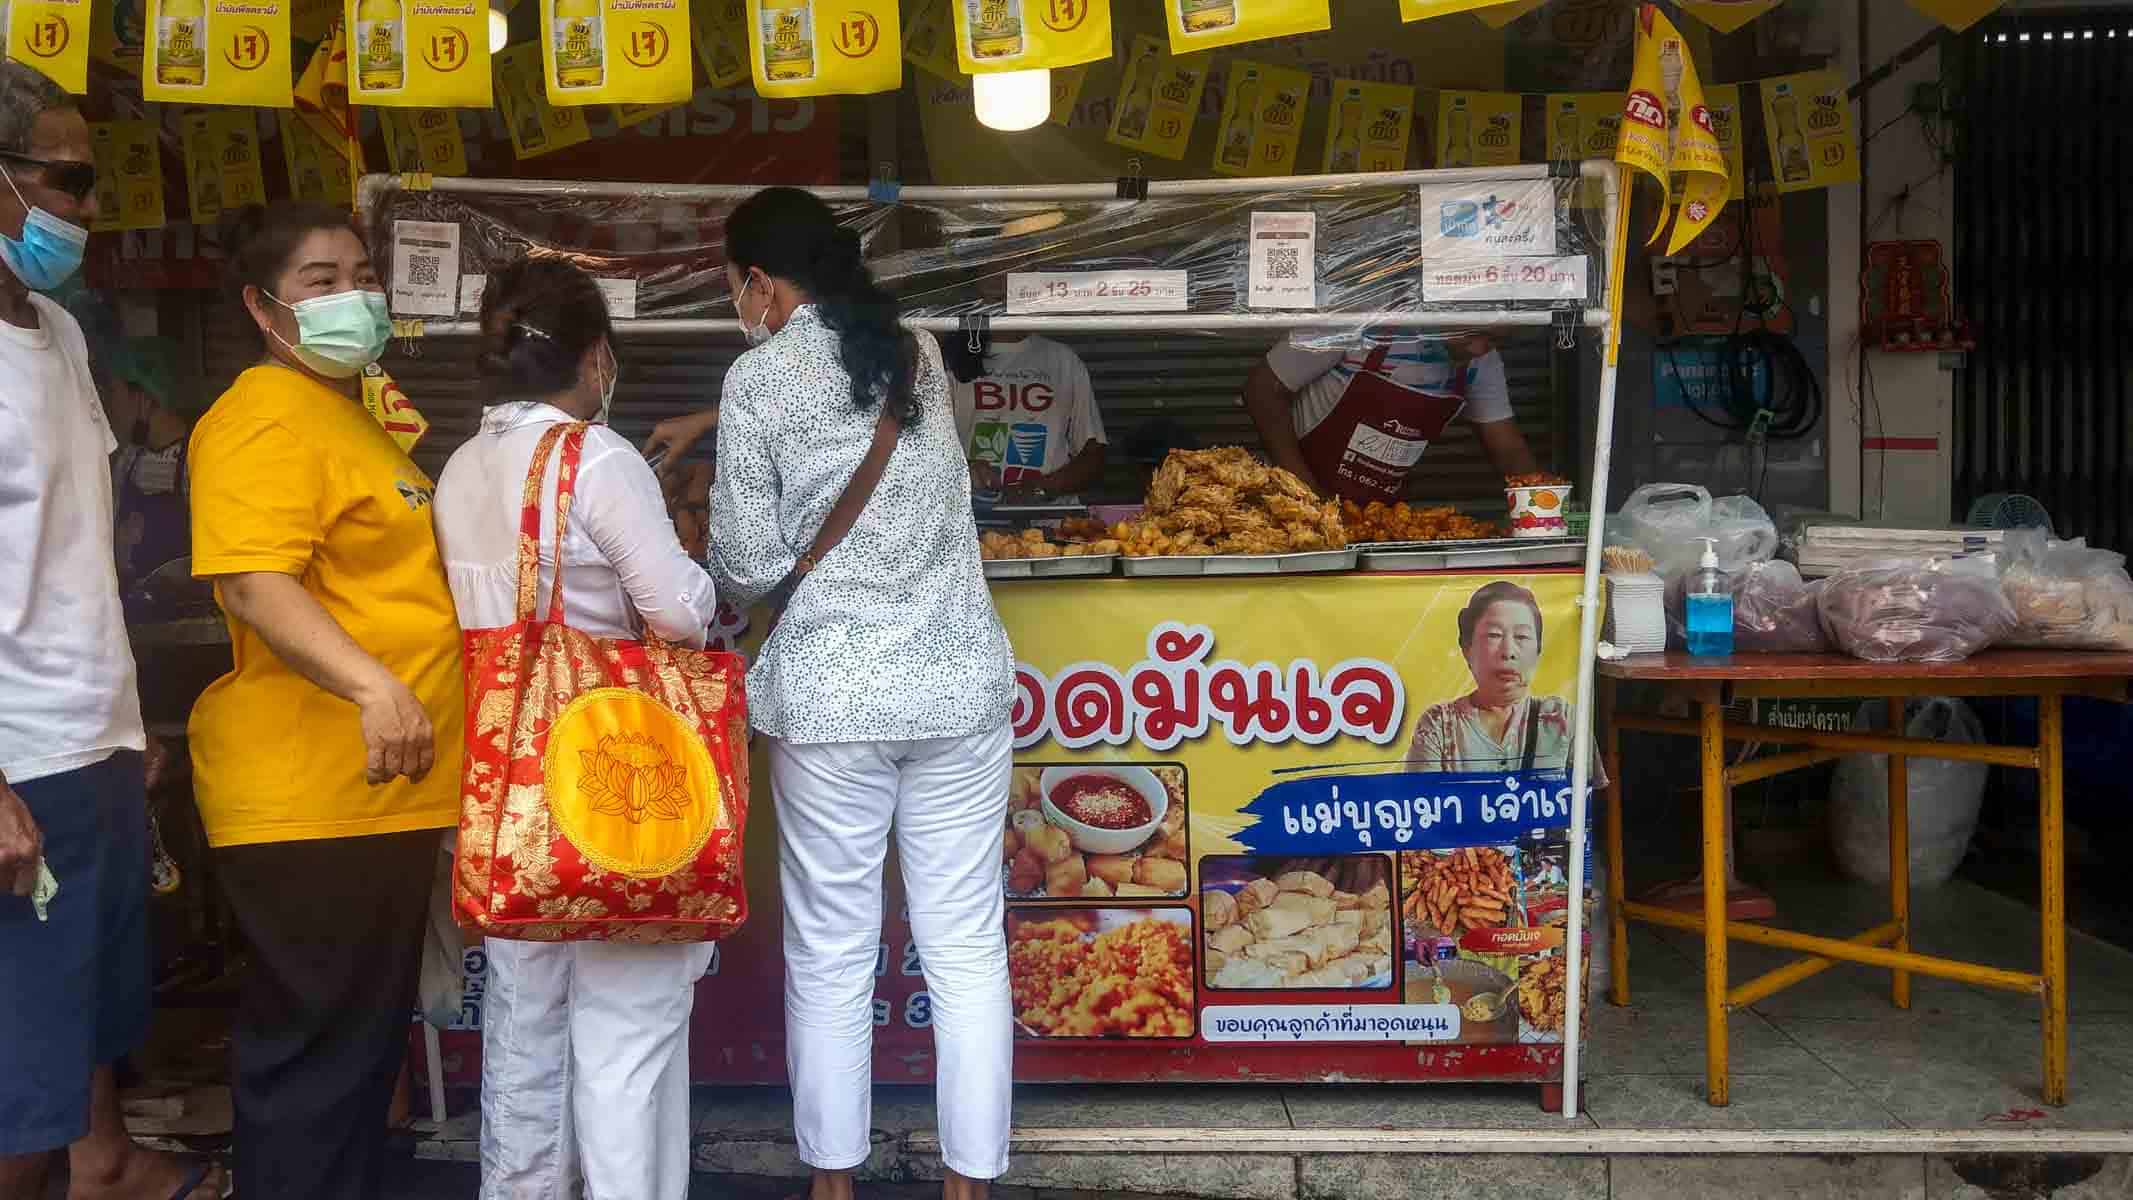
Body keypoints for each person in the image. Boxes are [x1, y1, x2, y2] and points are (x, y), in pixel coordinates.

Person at [708, 187, 1015, 1200]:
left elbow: (746, 564)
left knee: (834, 950)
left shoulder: (758, 379)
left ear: (760, 283)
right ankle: (970, 1183)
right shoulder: (917, 350)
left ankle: (832, 1183)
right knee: (964, 942)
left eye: (735, 284)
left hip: (834, 702)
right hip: (956, 690)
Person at [185, 203, 462, 1200]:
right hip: (312, 795)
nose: (351, 295)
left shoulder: (342, 413)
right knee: (314, 1066)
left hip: (375, 791)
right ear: (264, 307)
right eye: (318, 279)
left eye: (360, 273)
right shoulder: (260, 416)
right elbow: (256, 582)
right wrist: (374, 685)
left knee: (354, 1063)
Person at [433, 256, 721, 1200]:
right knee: (628, 1027)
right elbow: (676, 612)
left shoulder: (460, 466)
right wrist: (710, 579)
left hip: (503, 773)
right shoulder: (592, 456)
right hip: (607, 773)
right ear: (597, 358)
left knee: (525, 1016)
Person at [0, 60, 226, 1200]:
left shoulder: (58, 333)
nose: (87, 208)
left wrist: (129, 721)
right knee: (18, 1087)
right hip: (19, 760)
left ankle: (106, 1167)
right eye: (69, 180)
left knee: (88, 1009)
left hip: (89, 742)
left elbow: (81, 553)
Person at [1241, 332, 1539, 502]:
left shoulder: (1480, 359)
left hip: (1373, 515)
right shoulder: (1357, 320)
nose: (1480, 348)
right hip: (1289, 502)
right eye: (1476, 332)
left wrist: (1544, 502)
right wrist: (1307, 493)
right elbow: (1261, 389)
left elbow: (1509, 451)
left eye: (1496, 336)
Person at [1408, 581, 1576, 773]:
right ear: (1467, 648)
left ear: (1538, 651)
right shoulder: (1439, 724)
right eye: (1494, 635)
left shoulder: (1563, 719)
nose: (1508, 651)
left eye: (1521, 637)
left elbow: (1591, 795)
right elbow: (1421, 799)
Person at [948, 333, 1106, 500]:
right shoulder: (950, 360)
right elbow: (923, 454)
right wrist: (967, 468)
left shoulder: (1063, 359)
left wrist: (1041, 488)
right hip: (972, 520)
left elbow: (1093, 455)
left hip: (1052, 520)